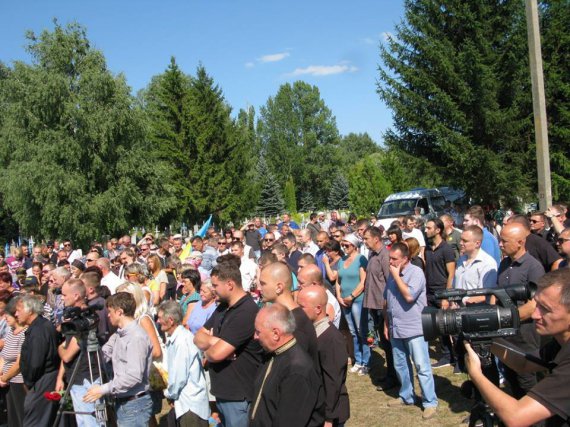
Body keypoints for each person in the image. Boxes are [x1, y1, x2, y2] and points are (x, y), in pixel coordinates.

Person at [465, 268, 570, 427]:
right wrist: (486, 338)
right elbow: (524, 363)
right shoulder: (561, 343)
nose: (535, 315)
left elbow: (516, 417)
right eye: (537, 305)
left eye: (546, 309)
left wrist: (475, 373)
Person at [194, 261, 262, 427]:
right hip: (224, 393)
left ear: (230, 284)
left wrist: (209, 351)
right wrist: (215, 342)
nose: (212, 289)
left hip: (238, 395)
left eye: (216, 285)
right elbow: (197, 337)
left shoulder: (246, 311)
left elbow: (216, 354)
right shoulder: (222, 307)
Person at [384, 243, 438, 420]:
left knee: (422, 365)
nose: (391, 262)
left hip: (414, 327)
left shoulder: (416, 273)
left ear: (405, 259)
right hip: (396, 328)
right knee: (400, 365)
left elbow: (409, 296)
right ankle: (406, 395)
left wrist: (396, 276)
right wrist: (386, 323)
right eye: (390, 258)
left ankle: (430, 402)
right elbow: (387, 301)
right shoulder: (392, 275)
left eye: (394, 259)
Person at [84, 292, 153, 426]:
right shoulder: (118, 334)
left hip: (134, 405)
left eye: (110, 312)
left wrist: (103, 389)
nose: (108, 315)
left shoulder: (136, 337)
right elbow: (103, 354)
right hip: (123, 403)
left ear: (120, 312)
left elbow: (133, 376)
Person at [249, 304, 324, 427]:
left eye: (258, 332)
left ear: (276, 333)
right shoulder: (273, 355)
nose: (255, 337)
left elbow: (289, 421)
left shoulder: (297, 370)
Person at [497, 222, 545, 399]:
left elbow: (534, 304)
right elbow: (498, 293)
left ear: (520, 242)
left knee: (528, 382)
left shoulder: (534, 267)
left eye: (504, 241)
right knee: (511, 376)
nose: (500, 244)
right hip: (507, 333)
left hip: (525, 335)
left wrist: (506, 318)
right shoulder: (504, 264)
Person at [297, 287, 350, 427]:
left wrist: (329, 418)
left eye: (302, 306)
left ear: (318, 308)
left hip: (328, 414)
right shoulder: (310, 331)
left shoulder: (332, 339)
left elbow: (333, 381)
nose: (298, 310)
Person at [56, 278, 102, 427]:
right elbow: (67, 347)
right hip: (75, 378)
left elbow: (67, 354)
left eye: (64, 295)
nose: (62, 298)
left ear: (76, 296)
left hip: (87, 378)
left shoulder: (87, 319)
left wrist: (59, 348)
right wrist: (60, 377)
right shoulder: (75, 319)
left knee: (91, 422)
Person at [156, 301, 209, 427]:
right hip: (184, 403)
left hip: (190, 405)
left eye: (159, 318)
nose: (158, 321)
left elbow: (179, 376)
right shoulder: (175, 338)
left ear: (170, 320)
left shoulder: (182, 341)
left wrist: (169, 393)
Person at [259, 261, 319, 366]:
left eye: (263, 284)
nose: (259, 288)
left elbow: (297, 367)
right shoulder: (286, 317)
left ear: (279, 287)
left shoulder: (296, 322)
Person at [363, 226, 398, 391]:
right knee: (384, 343)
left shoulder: (385, 256)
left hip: (382, 306)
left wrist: (386, 309)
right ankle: (390, 374)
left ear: (376, 239)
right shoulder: (371, 255)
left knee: (388, 343)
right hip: (373, 304)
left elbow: (390, 283)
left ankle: (394, 377)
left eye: (366, 238)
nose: (364, 241)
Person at [16, 295, 60, 426]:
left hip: (41, 380)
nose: (16, 313)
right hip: (43, 379)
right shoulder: (40, 326)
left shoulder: (39, 330)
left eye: (19, 310)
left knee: (34, 421)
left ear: (30, 311)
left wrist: (28, 382)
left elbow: (36, 362)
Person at [337, 233, 369, 375]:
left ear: (354, 245)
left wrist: (352, 296)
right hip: (344, 301)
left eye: (347, 245)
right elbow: (338, 280)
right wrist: (339, 296)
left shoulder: (361, 259)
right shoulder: (341, 260)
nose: (344, 247)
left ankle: (366, 361)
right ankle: (358, 358)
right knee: (352, 332)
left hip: (357, 300)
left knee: (361, 330)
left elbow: (363, 281)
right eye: (342, 245)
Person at [0, 297, 27, 427]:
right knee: (12, 418)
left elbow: (19, 362)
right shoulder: (11, 332)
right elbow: (4, 355)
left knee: (21, 416)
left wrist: (4, 378)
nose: (5, 318)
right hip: (8, 380)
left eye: (8, 316)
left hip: (18, 381)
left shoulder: (24, 334)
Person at [297, 264, 341, 328]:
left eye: (301, 283)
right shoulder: (314, 297)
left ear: (314, 284)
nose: (298, 285)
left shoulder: (327, 305)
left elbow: (322, 330)